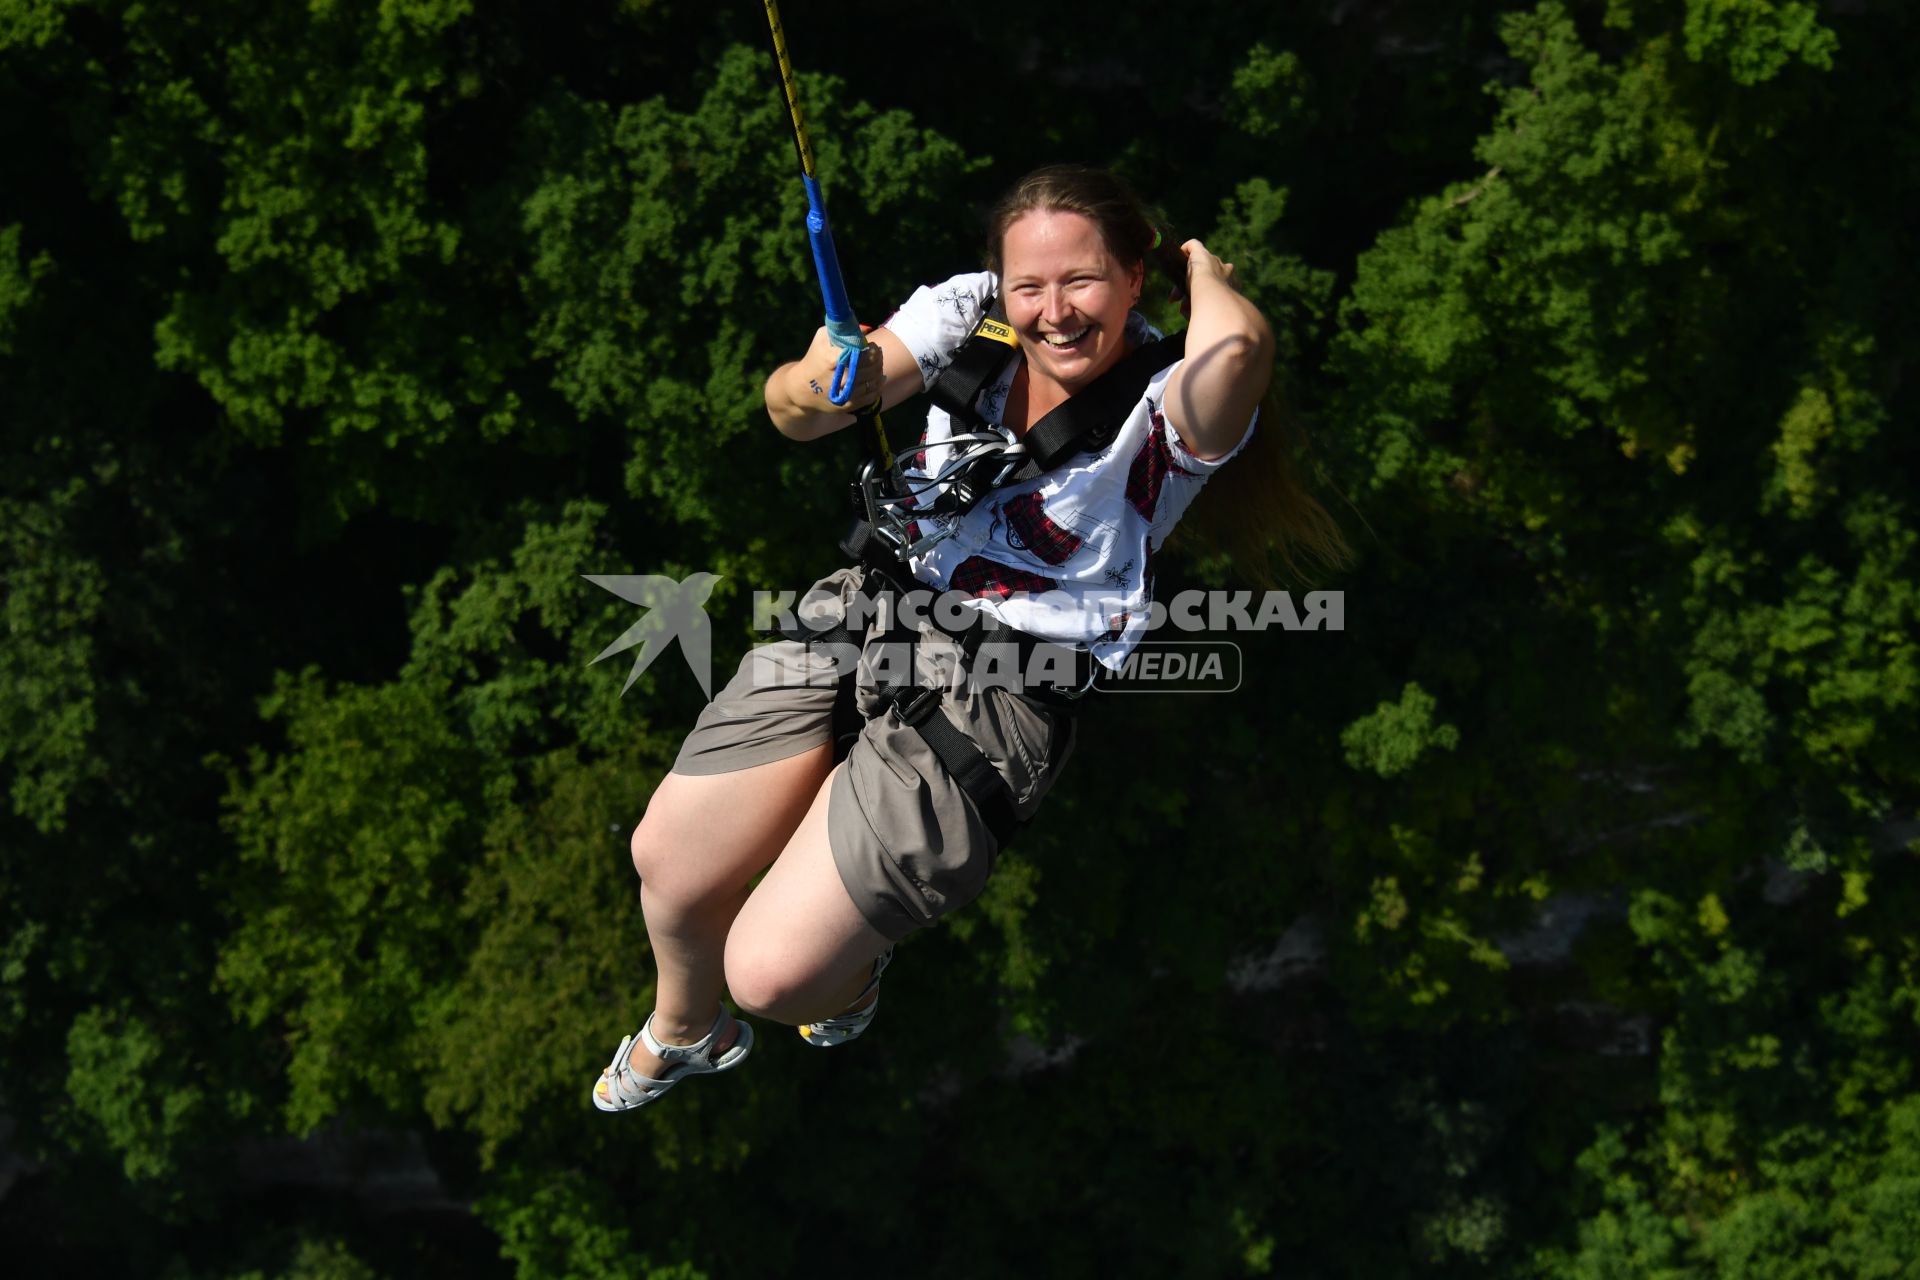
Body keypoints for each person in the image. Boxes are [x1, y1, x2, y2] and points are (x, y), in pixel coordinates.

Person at [592, 163, 1346, 1111]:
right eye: (1031, 286)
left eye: (1084, 282)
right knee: (668, 860)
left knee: (776, 978)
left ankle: (848, 980)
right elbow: (793, 412)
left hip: (1001, 697)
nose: (1055, 313)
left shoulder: (1166, 407)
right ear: (1001, 283)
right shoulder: (969, 316)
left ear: (1134, 277)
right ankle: (686, 1027)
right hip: (873, 606)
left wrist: (1210, 276)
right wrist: (824, 381)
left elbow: (1238, 354)